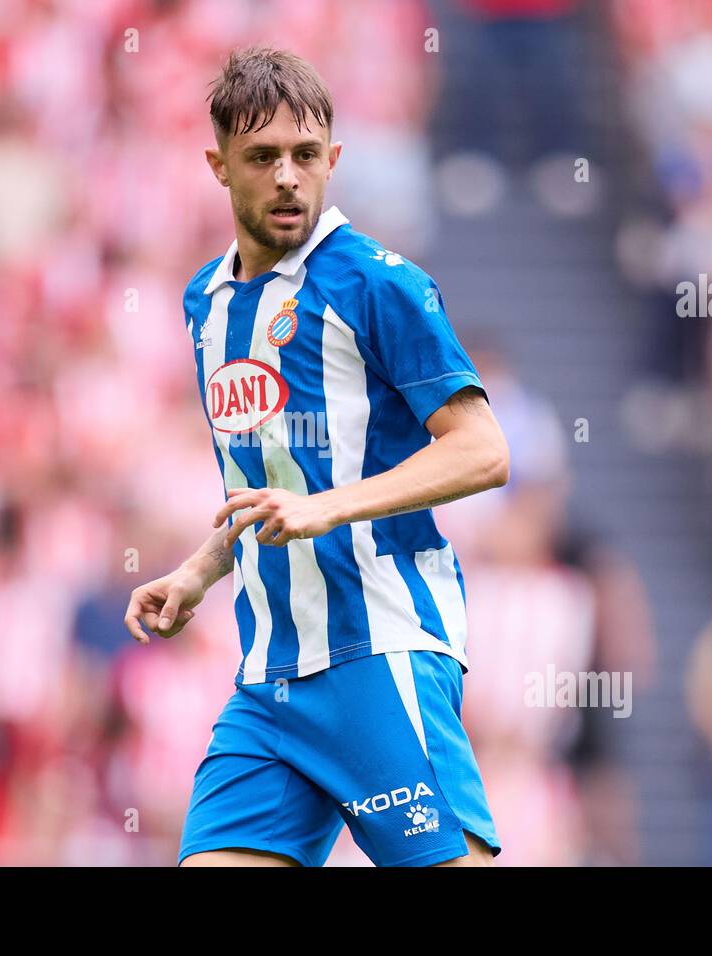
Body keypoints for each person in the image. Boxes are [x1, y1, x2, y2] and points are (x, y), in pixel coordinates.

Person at [123, 47, 510, 867]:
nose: (289, 178)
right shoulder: (207, 304)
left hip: (380, 653)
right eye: (262, 158)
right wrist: (200, 568)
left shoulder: (379, 282)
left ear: (333, 158)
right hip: (269, 679)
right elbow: (267, 481)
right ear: (218, 166)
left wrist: (329, 508)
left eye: (306, 156)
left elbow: (482, 451)